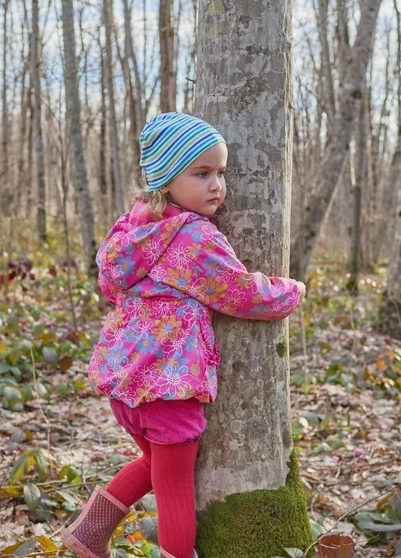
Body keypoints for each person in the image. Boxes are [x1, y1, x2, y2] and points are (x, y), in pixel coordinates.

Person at [61, 112, 306, 558]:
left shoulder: (130, 228)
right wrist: (292, 289)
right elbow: (241, 294)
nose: (217, 185)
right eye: (202, 173)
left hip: (124, 384)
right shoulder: (192, 236)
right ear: (167, 179)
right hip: (170, 388)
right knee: (175, 488)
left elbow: (110, 285)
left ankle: (90, 532)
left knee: (154, 466)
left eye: (221, 173)